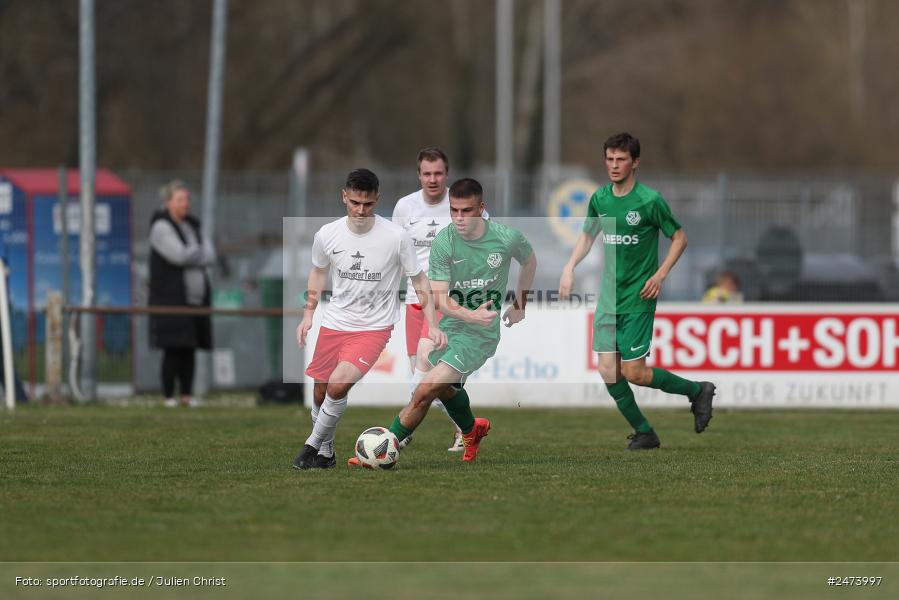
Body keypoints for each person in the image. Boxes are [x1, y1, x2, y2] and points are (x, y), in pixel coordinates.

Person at [350, 177, 537, 466]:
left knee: (425, 389)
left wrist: (520, 304)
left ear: (481, 208)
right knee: (443, 388)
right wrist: (468, 314)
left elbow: (529, 260)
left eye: (467, 211)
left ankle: (384, 448)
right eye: (454, 211)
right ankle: (471, 429)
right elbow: (439, 298)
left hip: (480, 335)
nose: (459, 218)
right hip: (453, 326)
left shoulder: (505, 237)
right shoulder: (445, 242)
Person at [558, 132, 715, 450]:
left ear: (635, 162)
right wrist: (569, 267)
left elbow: (680, 238)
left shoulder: (649, 201)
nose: (614, 166)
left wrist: (660, 274)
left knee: (635, 373)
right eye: (609, 159)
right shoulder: (600, 198)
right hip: (608, 298)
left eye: (621, 159)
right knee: (606, 369)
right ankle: (645, 432)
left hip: (638, 298)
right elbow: (588, 236)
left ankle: (697, 391)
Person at [293, 168, 446, 470]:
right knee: (321, 391)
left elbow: (419, 280)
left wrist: (434, 323)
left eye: (368, 204)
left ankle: (310, 447)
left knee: (337, 387)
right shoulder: (327, 234)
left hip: (373, 328)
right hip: (334, 323)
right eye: (355, 203)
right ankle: (326, 453)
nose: (361, 210)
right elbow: (318, 271)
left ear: (377, 199)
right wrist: (308, 314)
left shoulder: (396, 237)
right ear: (344, 198)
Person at [391, 147, 472, 452]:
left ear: (446, 174)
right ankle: (463, 428)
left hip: (450, 303)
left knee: (432, 371)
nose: (432, 179)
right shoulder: (405, 207)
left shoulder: (461, 202)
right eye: (427, 173)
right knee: (419, 369)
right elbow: (396, 252)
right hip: (415, 299)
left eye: (438, 173)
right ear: (419, 175)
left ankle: (402, 429)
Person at [148, 180, 215, 408]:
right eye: (180, 199)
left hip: (195, 301)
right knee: (173, 348)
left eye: (187, 199)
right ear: (168, 202)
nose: (186, 203)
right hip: (171, 299)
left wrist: (192, 253)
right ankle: (169, 397)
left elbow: (210, 254)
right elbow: (178, 256)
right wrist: (196, 252)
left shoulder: (193, 225)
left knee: (190, 349)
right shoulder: (160, 227)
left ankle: (187, 395)